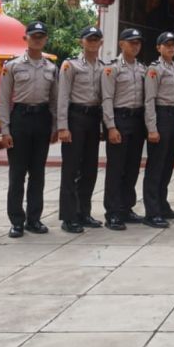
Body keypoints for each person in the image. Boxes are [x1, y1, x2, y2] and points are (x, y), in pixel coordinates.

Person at [0, 21, 59, 238]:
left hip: (41, 119)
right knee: (17, 174)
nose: (38, 39)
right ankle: (16, 220)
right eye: (34, 36)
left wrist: (55, 126)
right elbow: (4, 100)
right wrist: (5, 130)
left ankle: (34, 219)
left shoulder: (52, 68)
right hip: (20, 119)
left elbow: (54, 100)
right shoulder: (12, 66)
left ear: (45, 39)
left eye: (41, 36)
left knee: (38, 173)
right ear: (26, 38)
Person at [56, 25, 105, 234]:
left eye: (96, 39)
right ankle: (69, 216)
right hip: (75, 117)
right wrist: (62, 126)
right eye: (89, 39)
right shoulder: (71, 65)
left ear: (101, 43)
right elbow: (63, 97)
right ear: (81, 42)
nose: (93, 43)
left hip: (93, 118)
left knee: (90, 168)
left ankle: (84, 212)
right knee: (71, 169)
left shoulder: (103, 67)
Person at [101, 28, 147, 230]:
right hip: (119, 119)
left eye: (138, 43)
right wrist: (111, 126)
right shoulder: (112, 69)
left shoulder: (143, 69)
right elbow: (107, 99)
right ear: (121, 44)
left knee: (132, 167)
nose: (135, 46)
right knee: (116, 168)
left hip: (137, 121)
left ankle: (126, 207)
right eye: (131, 42)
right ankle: (112, 212)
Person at [141, 31, 174, 228]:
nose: (171, 47)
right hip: (159, 116)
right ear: (159, 48)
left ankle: (162, 204)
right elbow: (149, 99)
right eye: (166, 45)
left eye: (173, 44)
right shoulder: (154, 69)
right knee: (156, 166)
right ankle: (152, 211)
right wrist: (152, 128)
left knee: (167, 165)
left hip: (172, 117)